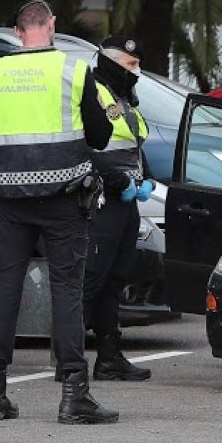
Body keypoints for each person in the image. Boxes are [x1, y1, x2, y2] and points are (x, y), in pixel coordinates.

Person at [0, 0, 119, 424]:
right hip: (64, 198)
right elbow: (100, 133)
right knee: (66, 289)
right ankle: (74, 395)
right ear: (51, 26)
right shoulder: (72, 71)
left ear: (17, 31)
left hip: (9, 200)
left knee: (4, 288)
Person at [73, 35, 155, 382]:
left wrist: (146, 177)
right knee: (90, 279)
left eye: (137, 64)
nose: (136, 71)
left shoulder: (123, 97)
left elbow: (133, 143)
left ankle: (109, 357)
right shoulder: (93, 92)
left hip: (126, 200)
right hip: (102, 198)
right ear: (109, 60)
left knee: (114, 279)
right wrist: (121, 183)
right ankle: (69, 361)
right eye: (130, 64)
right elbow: (86, 149)